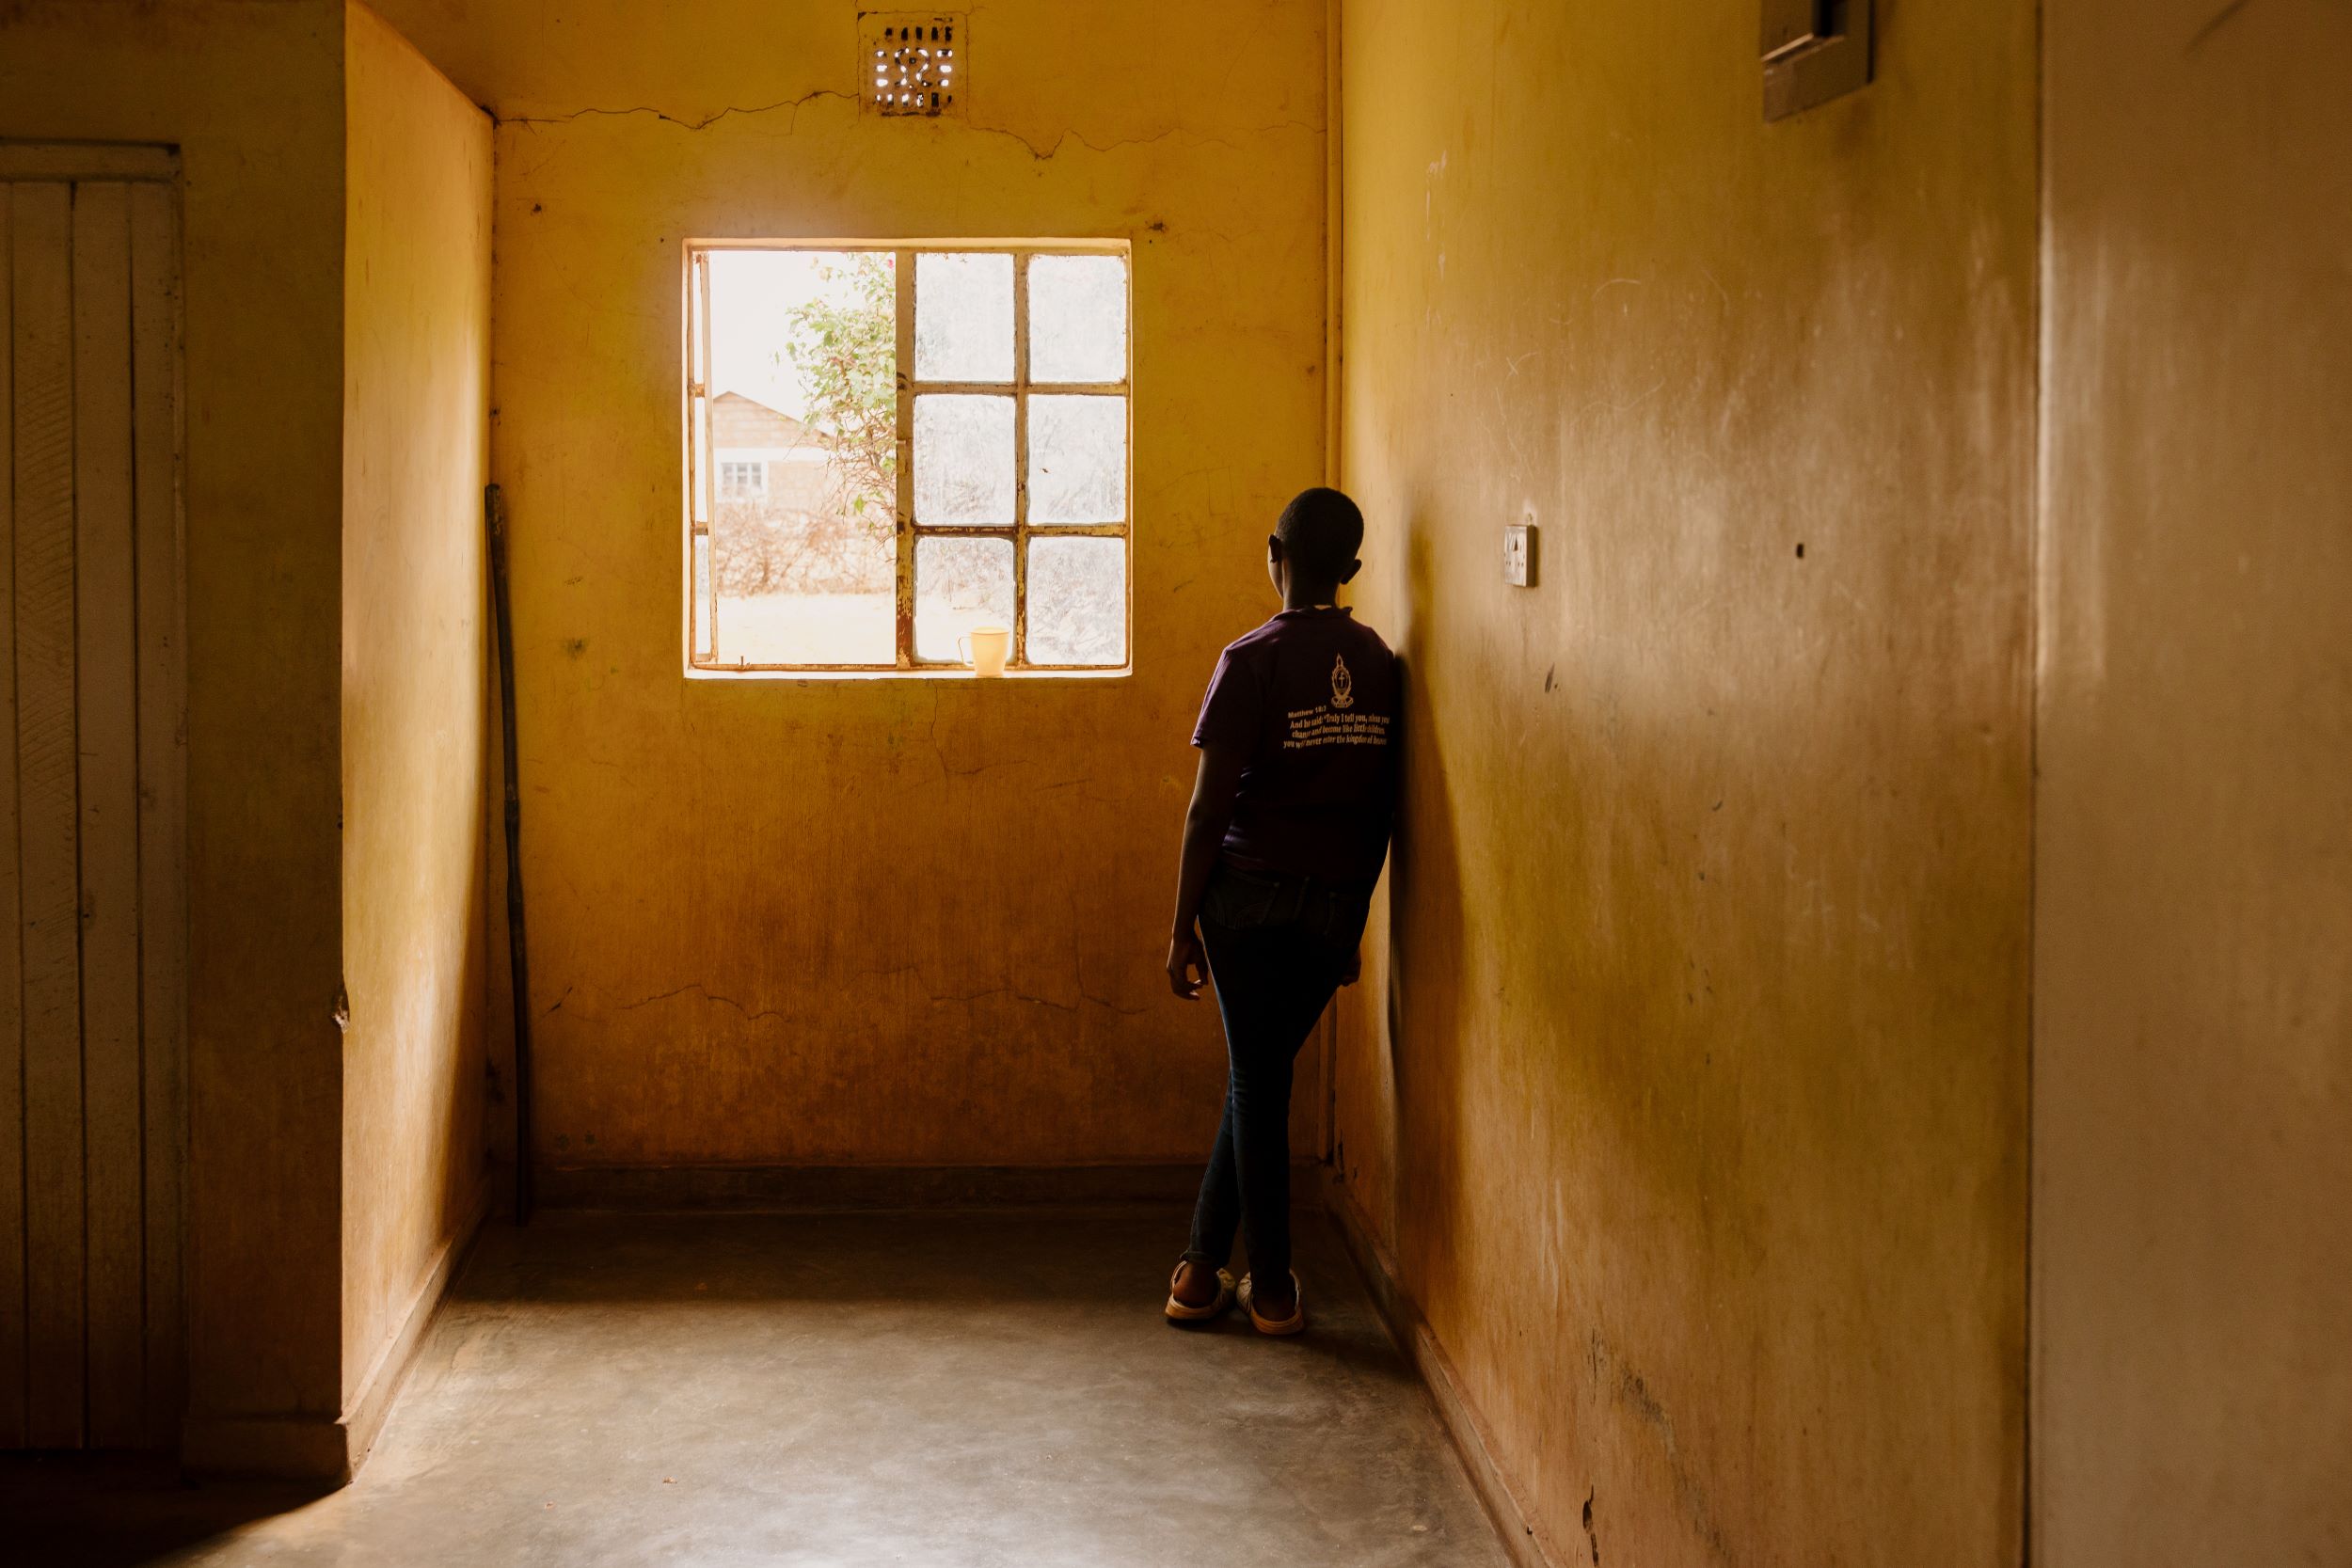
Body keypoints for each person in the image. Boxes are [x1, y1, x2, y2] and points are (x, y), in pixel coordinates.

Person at [1162, 486, 1399, 1336]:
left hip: (1245, 908)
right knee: (1257, 1079)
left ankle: (1266, 1288)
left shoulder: (1250, 659)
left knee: (1257, 1081)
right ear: (1353, 571)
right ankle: (1196, 1271)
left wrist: (1182, 925)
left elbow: (1207, 809)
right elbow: (1381, 810)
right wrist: (1353, 920)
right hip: (1330, 907)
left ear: (1275, 553)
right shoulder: (1376, 662)